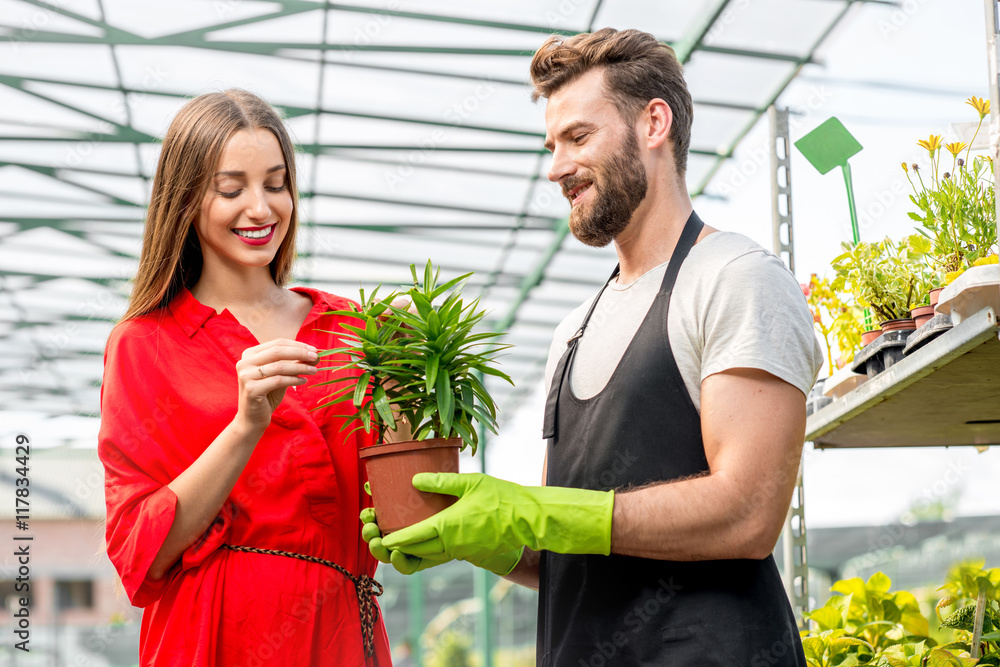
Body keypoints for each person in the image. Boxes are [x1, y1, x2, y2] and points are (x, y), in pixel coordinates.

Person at [365, 28, 823, 665]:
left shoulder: (734, 277)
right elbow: (567, 551)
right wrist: (475, 533)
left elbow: (747, 513)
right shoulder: (574, 329)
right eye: (551, 146)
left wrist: (533, 510)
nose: (555, 168)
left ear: (653, 124)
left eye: (578, 137)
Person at [98, 89, 391, 666]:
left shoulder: (361, 332)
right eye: (231, 189)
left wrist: (412, 400)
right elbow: (140, 555)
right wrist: (245, 424)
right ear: (183, 201)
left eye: (275, 184)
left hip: (339, 632)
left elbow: (407, 515)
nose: (260, 209)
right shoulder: (145, 344)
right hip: (211, 634)